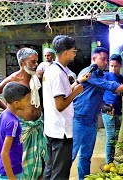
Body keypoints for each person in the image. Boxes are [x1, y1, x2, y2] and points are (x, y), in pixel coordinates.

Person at [72, 47, 123, 180]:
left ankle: (83, 178)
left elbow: (93, 96)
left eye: (107, 59)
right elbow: (110, 85)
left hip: (92, 120)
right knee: (71, 155)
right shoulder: (90, 72)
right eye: (103, 59)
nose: (106, 62)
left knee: (86, 155)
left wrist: (104, 106)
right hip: (79, 119)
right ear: (94, 59)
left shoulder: (100, 74)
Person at [0, 48, 47, 180]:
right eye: (32, 62)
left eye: (37, 61)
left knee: (39, 163)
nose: (36, 64)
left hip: (37, 125)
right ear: (22, 62)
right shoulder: (13, 80)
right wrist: (10, 111)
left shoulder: (35, 77)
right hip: (23, 126)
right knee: (21, 162)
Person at [42, 35, 90, 180]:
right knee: (60, 173)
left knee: (50, 170)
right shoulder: (58, 74)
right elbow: (60, 105)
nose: (75, 54)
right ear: (66, 53)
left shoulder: (54, 69)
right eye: (73, 51)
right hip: (60, 132)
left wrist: (77, 82)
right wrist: (76, 91)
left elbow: (62, 92)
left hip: (52, 128)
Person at [0, 82, 30, 180]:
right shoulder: (13, 122)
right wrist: (11, 177)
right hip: (12, 171)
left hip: (2, 169)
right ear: (16, 103)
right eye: (27, 100)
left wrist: (1, 161)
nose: (29, 102)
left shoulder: (3, 115)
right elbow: (5, 152)